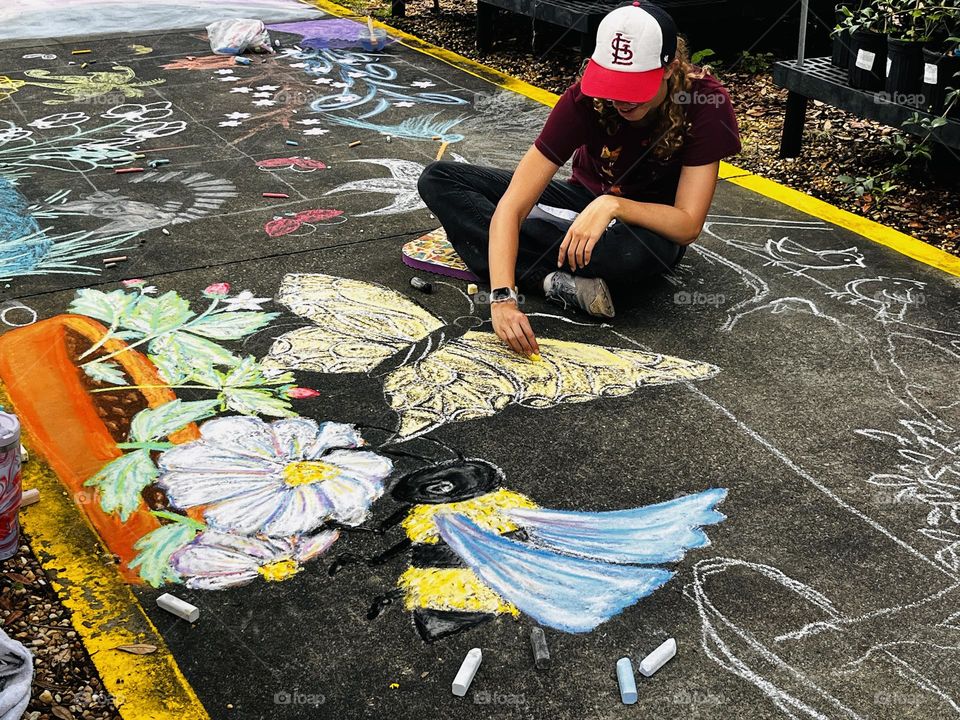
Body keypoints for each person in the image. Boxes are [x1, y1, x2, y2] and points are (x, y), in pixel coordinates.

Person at [417, 1, 741, 356]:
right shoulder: (584, 97)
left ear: (669, 69)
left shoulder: (704, 101)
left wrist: (612, 204)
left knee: (628, 257)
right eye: (612, 84)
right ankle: (549, 279)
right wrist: (503, 299)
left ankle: (492, 240)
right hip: (578, 206)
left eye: (633, 87)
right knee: (439, 178)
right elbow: (514, 203)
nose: (620, 99)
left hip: (646, 227)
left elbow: (687, 225)